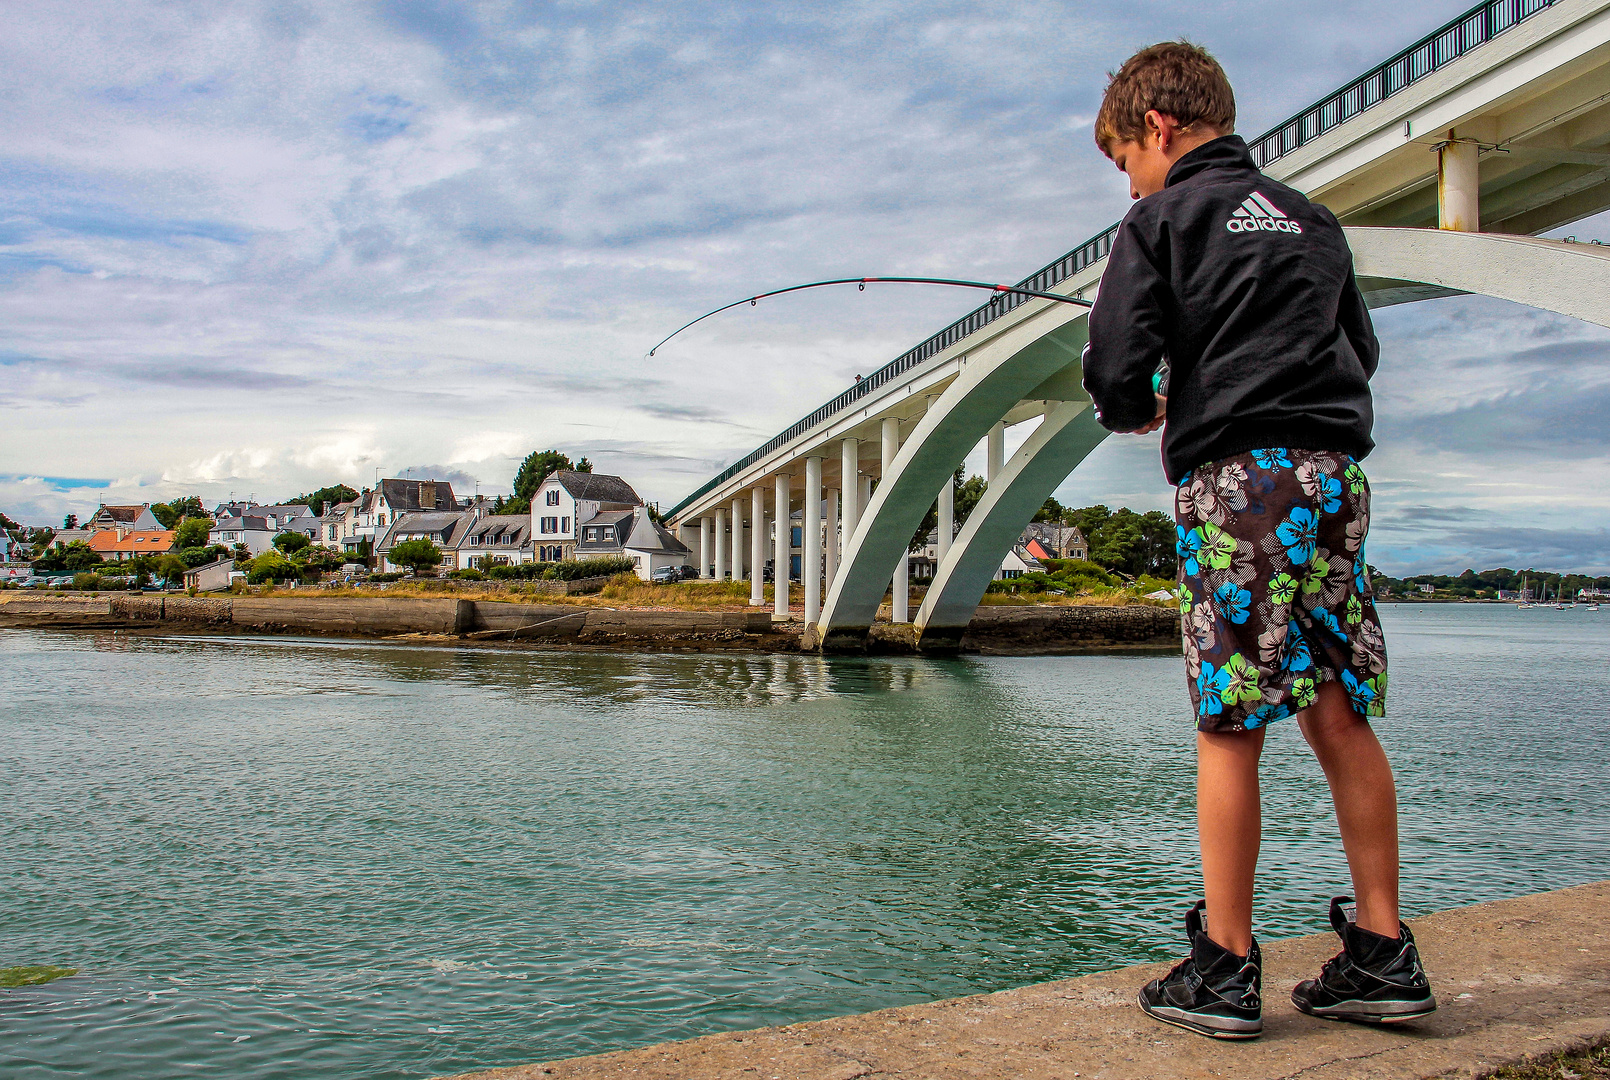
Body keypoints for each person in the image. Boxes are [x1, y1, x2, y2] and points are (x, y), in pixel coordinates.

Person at [1080, 42, 1436, 1040]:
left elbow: (1113, 370)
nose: (1129, 181)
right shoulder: (1312, 222)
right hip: (1333, 478)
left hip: (1238, 484)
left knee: (1226, 721)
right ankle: (1379, 952)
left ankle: (1225, 966)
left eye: (1123, 160)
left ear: (1155, 128)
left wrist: (1150, 401)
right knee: (1333, 707)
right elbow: (1352, 348)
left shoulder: (1158, 219)